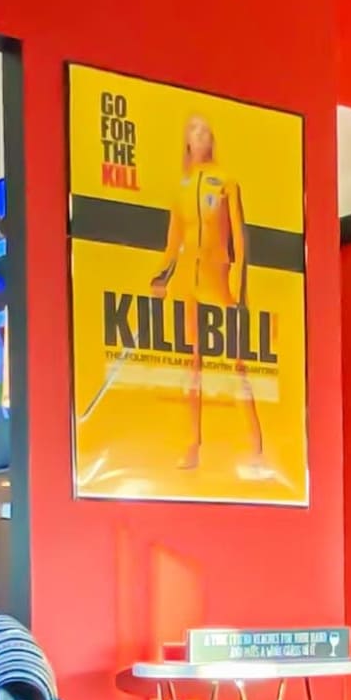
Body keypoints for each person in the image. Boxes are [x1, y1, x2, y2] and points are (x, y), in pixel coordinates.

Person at [152, 112, 270, 477]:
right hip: (188, 278)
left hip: (219, 278)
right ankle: (193, 444)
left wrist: (241, 285)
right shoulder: (180, 186)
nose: (199, 136)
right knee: (193, 364)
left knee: (236, 363)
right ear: (187, 140)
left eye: (204, 130)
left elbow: (239, 236)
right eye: (193, 130)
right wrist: (161, 277)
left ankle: (256, 446)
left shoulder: (226, 182)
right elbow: (173, 241)